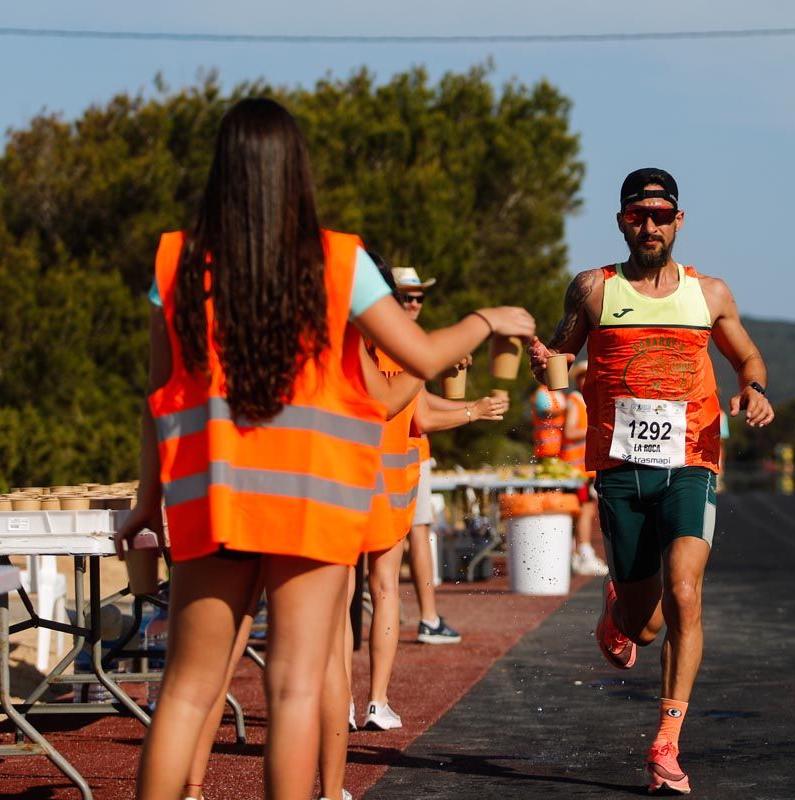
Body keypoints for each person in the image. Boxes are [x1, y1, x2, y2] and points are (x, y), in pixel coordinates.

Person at [115, 97, 534, 800]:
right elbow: (422, 355)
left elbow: (159, 401)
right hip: (310, 504)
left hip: (211, 504)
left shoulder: (176, 263)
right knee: (295, 689)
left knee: (186, 692)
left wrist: (144, 504)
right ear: (295, 172)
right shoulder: (340, 262)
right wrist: (485, 319)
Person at [529, 167, 773, 795]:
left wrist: (755, 387)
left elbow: (746, 355)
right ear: (621, 222)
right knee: (645, 625)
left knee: (685, 592)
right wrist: (546, 363)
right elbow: (561, 357)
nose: (650, 226)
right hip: (618, 469)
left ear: (679, 221)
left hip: (692, 459)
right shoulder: (593, 289)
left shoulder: (709, 294)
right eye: (638, 215)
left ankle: (666, 741)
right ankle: (619, 605)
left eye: (661, 215)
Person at [391, 266, 510, 646]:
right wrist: (473, 412)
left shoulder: (397, 338)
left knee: (385, 560)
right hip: (401, 455)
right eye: (404, 295)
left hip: (396, 454)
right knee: (406, 544)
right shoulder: (398, 341)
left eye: (418, 296)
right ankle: (425, 618)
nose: (412, 303)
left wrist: (473, 405)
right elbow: (421, 414)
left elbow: (418, 401)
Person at [561, 360, 609, 577]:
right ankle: (584, 551)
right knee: (584, 511)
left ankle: (578, 553)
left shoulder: (590, 402)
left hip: (585, 468)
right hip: (576, 469)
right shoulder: (576, 400)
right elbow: (570, 433)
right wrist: (595, 431)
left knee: (586, 510)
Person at [530, 383, 565, 461]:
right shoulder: (542, 392)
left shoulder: (557, 392)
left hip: (559, 447)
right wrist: (566, 410)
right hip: (546, 446)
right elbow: (545, 413)